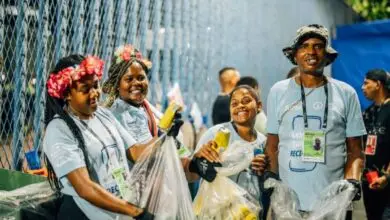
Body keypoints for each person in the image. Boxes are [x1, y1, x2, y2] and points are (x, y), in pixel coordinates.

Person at [265, 24, 366, 217]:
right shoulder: (278, 91)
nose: (311, 51)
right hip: (288, 205)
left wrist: (352, 181)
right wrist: (271, 177)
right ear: (295, 55)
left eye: (318, 46)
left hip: (333, 205)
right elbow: (272, 144)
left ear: (327, 56)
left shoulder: (346, 93)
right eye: (304, 46)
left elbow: (356, 151)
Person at [43, 55, 159, 220]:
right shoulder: (59, 129)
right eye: (85, 89)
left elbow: (135, 151)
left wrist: (165, 140)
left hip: (119, 211)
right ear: (67, 94)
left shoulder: (103, 115)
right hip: (85, 215)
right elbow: (84, 188)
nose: (94, 93)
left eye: (96, 85)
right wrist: (134, 211)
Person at [192, 85, 267, 218]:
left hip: (249, 213)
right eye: (234, 103)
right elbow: (194, 171)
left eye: (246, 101)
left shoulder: (263, 143)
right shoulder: (216, 133)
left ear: (259, 106)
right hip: (217, 212)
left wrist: (263, 171)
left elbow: (265, 184)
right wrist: (201, 160)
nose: (240, 106)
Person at [361, 69, 390, 220]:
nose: (362, 87)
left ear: (378, 84)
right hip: (370, 182)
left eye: (366, 83)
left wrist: (386, 177)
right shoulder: (368, 112)